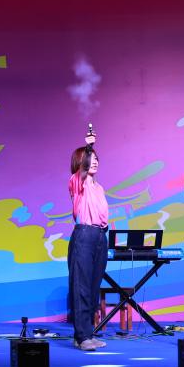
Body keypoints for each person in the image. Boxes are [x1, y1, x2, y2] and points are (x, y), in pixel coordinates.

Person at [67, 127, 109, 351]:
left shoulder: (99, 187)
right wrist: (89, 147)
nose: (94, 162)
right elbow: (83, 170)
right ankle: (82, 336)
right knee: (81, 286)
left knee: (93, 288)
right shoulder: (77, 182)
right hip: (84, 235)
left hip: (100, 236)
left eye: (96, 159)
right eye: (89, 159)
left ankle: (86, 333)